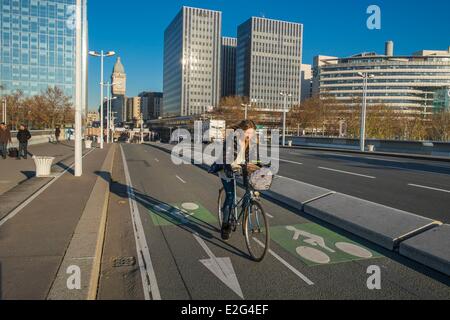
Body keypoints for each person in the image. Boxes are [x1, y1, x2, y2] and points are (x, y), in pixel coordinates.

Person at [217, 120, 262, 241]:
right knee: (230, 196)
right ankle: (225, 225)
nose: (250, 136)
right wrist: (230, 167)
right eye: (248, 133)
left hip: (242, 168)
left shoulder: (252, 141)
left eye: (252, 134)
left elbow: (255, 160)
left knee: (251, 191)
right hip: (226, 169)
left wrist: (261, 168)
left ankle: (246, 206)